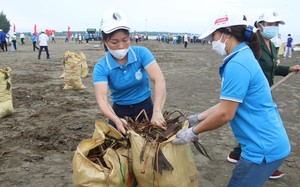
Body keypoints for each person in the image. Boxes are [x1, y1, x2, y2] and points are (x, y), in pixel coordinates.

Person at [172, 11, 291, 187]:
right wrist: (197, 117)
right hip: (270, 142)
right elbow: (227, 105)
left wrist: (192, 133)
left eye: (213, 36)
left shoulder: (237, 64)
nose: (212, 41)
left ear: (226, 33)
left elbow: (226, 114)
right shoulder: (243, 55)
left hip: (262, 148)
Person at [227, 10, 300, 179]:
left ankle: (237, 153)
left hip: (266, 90)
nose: (273, 27)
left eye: (276, 25)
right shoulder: (253, 44)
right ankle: (265, 160)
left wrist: (289, 69)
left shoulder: (272, 45)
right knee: (261, 127)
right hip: (254, 93)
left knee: (257, 125)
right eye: (270, 24)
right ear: (259, 25)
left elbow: (272, 68)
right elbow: (248, 68)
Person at [93, 9, 166, 134]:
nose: (121, 46)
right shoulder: (101, 67)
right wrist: (116, 119)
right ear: (105, 42)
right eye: (114, 42)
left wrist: (157, 111)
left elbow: (159, 79)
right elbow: (102, 99)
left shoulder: (141, 53)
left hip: (146, 107)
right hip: (120, 111)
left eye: (125, 40)